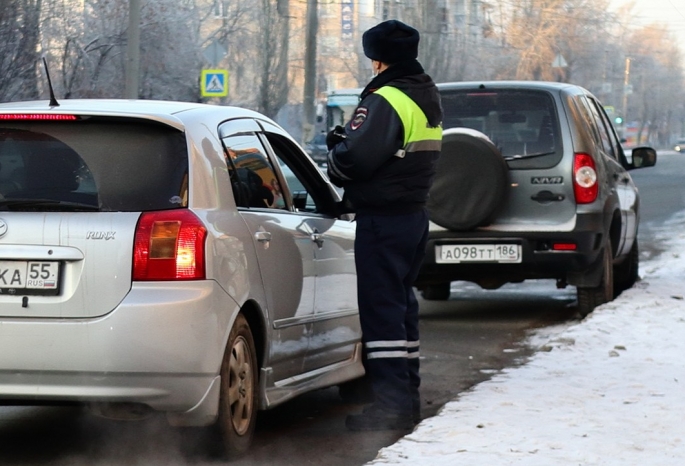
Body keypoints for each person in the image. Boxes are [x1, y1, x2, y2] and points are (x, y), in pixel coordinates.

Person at [326, 19, 443, 431]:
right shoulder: (424, 92)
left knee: (382, 313)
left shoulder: (387, 98)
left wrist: (336, 149)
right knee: (402, 309)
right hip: (412, 216)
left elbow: (353, 160)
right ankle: (405, 400)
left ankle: (391, 409)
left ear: (377, 59)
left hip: (383, 220)